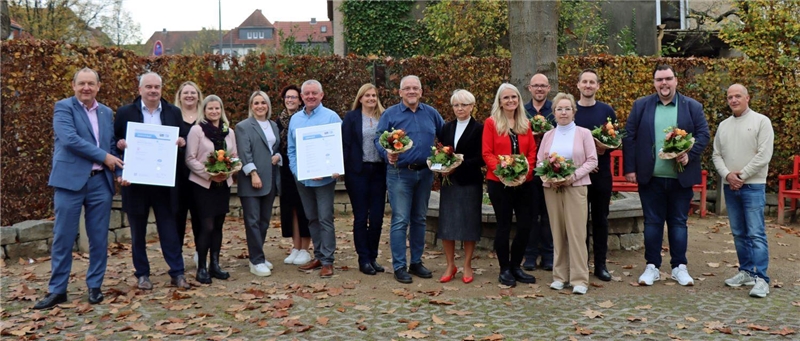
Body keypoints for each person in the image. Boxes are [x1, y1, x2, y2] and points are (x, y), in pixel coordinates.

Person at [34, 68, 124, 310]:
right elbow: (70, 140)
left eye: (91, 84)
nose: (86, 87)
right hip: (69, 182)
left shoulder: (106, 112)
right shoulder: (63, 107)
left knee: (98, 238)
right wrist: (105, 156)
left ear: (98, 87)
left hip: (99, 184)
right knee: (63, 237)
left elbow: (111, 148)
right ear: (73, 85)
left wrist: (120, 172)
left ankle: (95, 287)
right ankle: (57, 290)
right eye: (82, 83)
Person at [622, 64, 710, 287]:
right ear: (654, 83)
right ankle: (652, 266)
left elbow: (703, 134)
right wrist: (630, 169)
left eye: (668, 79)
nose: (664, 83)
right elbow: (629, 137)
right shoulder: (641, 106)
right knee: (652, 223)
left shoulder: (692, 106)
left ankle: (679, 267)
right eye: (659, 79)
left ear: (675, 81)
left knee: (678, 223)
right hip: (650, 178)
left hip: (681, 178)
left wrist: (690, 153)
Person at [115, 72, 191, 290]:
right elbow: (114, 142)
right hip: (135, 183)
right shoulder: (124, 113)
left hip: (163, 183)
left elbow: (182, 140)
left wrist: (180, 141)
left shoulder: (173, 112)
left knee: (169, 230)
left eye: (156, 87)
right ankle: (142, 274)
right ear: (140, 90)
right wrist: (120, 147)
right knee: (137, 232)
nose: (153, 91)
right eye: (148, 87)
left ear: (161, 89)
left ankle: (177, 273)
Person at [375, 75, 444, 284]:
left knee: (419, 219)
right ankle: (399, 266)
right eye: (407, 88)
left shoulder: (431, 113)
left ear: (421, 92)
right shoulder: (390, 114)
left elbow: (445, 134)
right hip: (399, 173)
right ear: (400, 92)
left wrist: (444, 157)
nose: (412, 91)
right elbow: (379, 138)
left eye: (415, 88)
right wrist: (386, 153)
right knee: (400, 220)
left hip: (424, 173)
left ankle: (416, 261)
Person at [712, 84, 773, 298]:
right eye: (730, 97)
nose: (733, 100)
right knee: (739, 233)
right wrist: (727, 175)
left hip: (754, 186)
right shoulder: (723, 125)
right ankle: (746, 272)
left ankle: (762, 279)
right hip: (731, 186)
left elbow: (764, 155)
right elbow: (716, 155)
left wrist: (742, 175)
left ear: (748, 98)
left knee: (756, 233)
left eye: (738, 96)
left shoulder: (761, 122)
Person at [538, 92, 598, 295]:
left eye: (567, 109)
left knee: (576, 233)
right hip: (552, 189)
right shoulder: (548, 135)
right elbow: (540, 162)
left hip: (576, 187)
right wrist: (549, 178)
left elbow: (592, 160)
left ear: (574, 111)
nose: (563, 112)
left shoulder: (584, 133)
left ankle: (579, 278)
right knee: (557, 232)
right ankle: (559, 276)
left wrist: (572, 176)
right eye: (559, 109)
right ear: (553, 112)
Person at [482, 83, 537, 287]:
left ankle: (516, 266)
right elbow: (487, 153)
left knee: (525, 225)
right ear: (499, 101)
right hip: (499, 183)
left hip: (524, 183)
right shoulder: (491, 123)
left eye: (514, 97)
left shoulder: (525, 123)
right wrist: (504, 172)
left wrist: (525, 172)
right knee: (503, 226)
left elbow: (532, 152)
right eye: (506, 98)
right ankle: (504, 269)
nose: (510, 101)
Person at [288, 79, 342, 278]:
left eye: (314, 93)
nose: (310, 96)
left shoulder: (331, 117)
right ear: (301, 97)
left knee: (325, 218)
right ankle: (318, 255)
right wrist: (297, 171)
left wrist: (335, 168)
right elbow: (291, 150)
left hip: (325, 180)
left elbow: (339, 147)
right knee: (311, 217)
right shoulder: (295, 120)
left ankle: (328, 261)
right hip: (303, 179)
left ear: (321, 95)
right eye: (306, 93)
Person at [185, 95, 237, 284]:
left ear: (221, 110)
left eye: (217, 108)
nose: (214, 112)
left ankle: (215, 265)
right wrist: (209, 174)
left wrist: (228, 171)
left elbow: (235, 156)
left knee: (218, 226)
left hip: (222, 185)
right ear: (204, 111)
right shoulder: (197, 131)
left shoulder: (228, 131)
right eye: (210, 109)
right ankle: (201, 268)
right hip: (202, 185)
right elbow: (190, 158)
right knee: (206, 226)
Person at [436, 89, 484, 284]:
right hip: (449, 182)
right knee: (447, 225)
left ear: (472, 106)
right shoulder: (446, 128)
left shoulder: (479, 129)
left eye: (464, 105)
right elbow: (439, 152)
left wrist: (459, 164)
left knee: (469, 224)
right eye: (456, 105)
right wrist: (442, 167)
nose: (460, 108)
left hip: (470, 182)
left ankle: (467, 265)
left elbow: (481, 157)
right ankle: (450, 265)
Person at [574, 69, 616, 282]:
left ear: (598, 86)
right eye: (585, 82)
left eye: (592, 82)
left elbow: (614, 139)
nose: (588, 85)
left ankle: (600, 265)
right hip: (579, 176)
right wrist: (585, 162)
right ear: (578, 85)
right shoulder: (571, 110)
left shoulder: (607, 111)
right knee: (579, 223)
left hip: (602, 176)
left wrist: (603, 149)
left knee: (600, 220)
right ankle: (580, 265)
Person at [342, 83, 388, 276]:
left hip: (379, 171)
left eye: (374, 95)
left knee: (377, 217)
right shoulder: (351, 118)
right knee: (361, 217)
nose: (371, 98)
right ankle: (363, 258)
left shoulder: (384, 117)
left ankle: (373, 256)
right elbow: (344, 145)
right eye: (367, 95)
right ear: (360, 98)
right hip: (357, 172)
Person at [236, 91, 282, 277]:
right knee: (253, 221)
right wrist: (253, 173)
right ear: (251, 106)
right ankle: (256, 261)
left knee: (264, 221)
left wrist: (278, 157)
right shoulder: (243, 126)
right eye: (256, 103)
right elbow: (244, 152)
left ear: (268, 105)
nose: (260, 106)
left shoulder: (273, 125)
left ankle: (257, 255)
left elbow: (276, 148)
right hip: (252, 180)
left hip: (270, 178)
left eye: (263, 102)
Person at [275, 85, 313, 266]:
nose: (290, 100)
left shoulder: (304, 118)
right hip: (285, 169)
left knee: (304, 207)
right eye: (287, 97)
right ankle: (295, 247)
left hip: (305, 166)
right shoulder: (278, 121)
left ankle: (305, 248)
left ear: (300, 100)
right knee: (291, 209)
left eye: (294, 97)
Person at [523, 73, 554, 272]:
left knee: (548, 215)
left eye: (543, 86)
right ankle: (530, 255)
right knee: (530, 215)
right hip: (528, 170)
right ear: (529, 88)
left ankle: (550, 255)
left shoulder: (555, 110)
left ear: (549, 88)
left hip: (551, 169)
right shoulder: (522, 111)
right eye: (536, 86)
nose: (539, 89)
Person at [174, 81, 204, 267]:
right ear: (180, 96)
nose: (190, 96)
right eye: (186, 92)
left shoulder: (204, 118)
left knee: (200, 217)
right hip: (177, 175)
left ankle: (200, 253)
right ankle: (176, 256)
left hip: (200, 176)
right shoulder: (172, 116)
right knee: (177, 217)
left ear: (198, 96)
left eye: (193, 92)